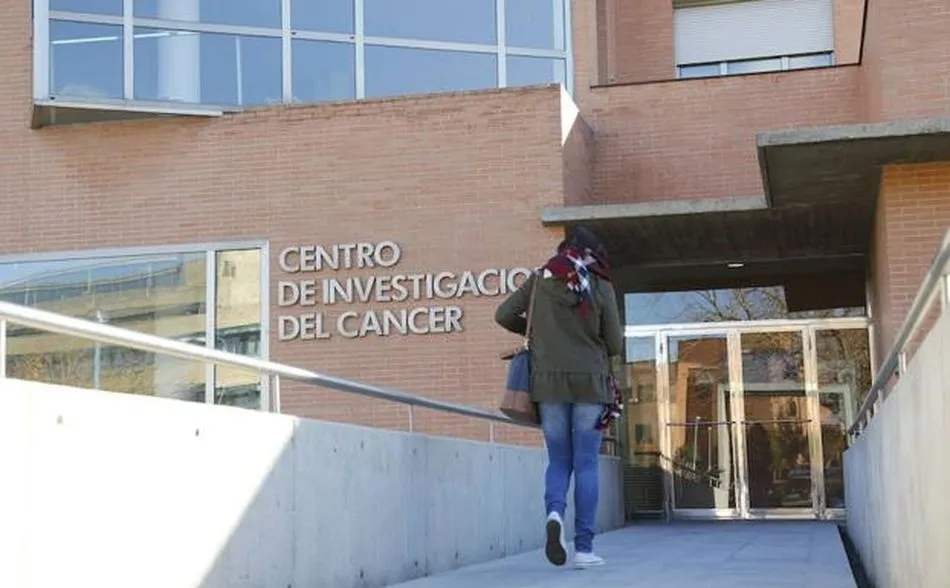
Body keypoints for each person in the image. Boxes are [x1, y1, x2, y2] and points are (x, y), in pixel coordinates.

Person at [494, 226, 624, 569]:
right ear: (592, 253)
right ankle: (584, 549)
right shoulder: (600, 284)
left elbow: (503, 314)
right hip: (590, 383)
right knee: (587, 463)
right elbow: (614, 344)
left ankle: (554, 514)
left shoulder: (539, 280)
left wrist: (537, 333)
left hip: (548, 384)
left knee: (558, 460)